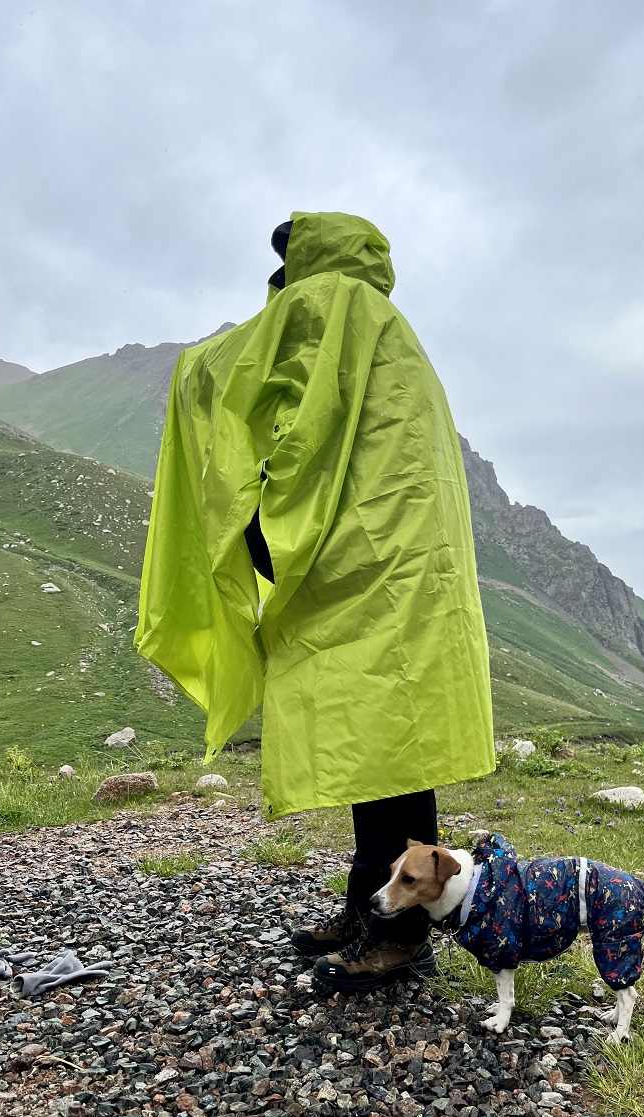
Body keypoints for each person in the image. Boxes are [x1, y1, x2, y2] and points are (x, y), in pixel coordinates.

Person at [136, 211, 494, 990]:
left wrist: (259, 517)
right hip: (399, 564)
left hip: (366, 565)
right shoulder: (384, 323)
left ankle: (400, 937)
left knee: (389, 752)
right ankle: (372, 906)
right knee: (386, 744)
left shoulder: (333, 303)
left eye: (283, 270)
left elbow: (232, 375)